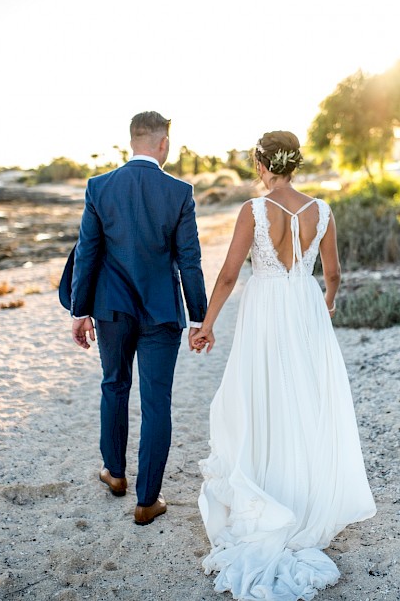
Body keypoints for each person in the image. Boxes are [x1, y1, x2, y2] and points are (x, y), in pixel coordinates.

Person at [191, 131, 376, 600]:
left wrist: (207, 324)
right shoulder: (323, 210)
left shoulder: (253, 211)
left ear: (261, 165)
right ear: (295, 163)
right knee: (306, 396)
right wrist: (326, 302)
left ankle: (269, 486)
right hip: (305, 306)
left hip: (268, 309)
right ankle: (305, 492)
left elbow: (231, 273)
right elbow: (332, 273)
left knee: (265, 393)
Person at [69, 110, 207, 526]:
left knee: (114, 384)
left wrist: (79, 310)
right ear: (163, 143)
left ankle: (114, 473)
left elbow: (87, 253)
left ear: (133, 140)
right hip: (162, 311)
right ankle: (147, 501)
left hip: (110, 309)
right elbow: (190, 260)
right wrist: (199, 318)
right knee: (156, 401)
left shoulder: (100, 187)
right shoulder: (179, 191)